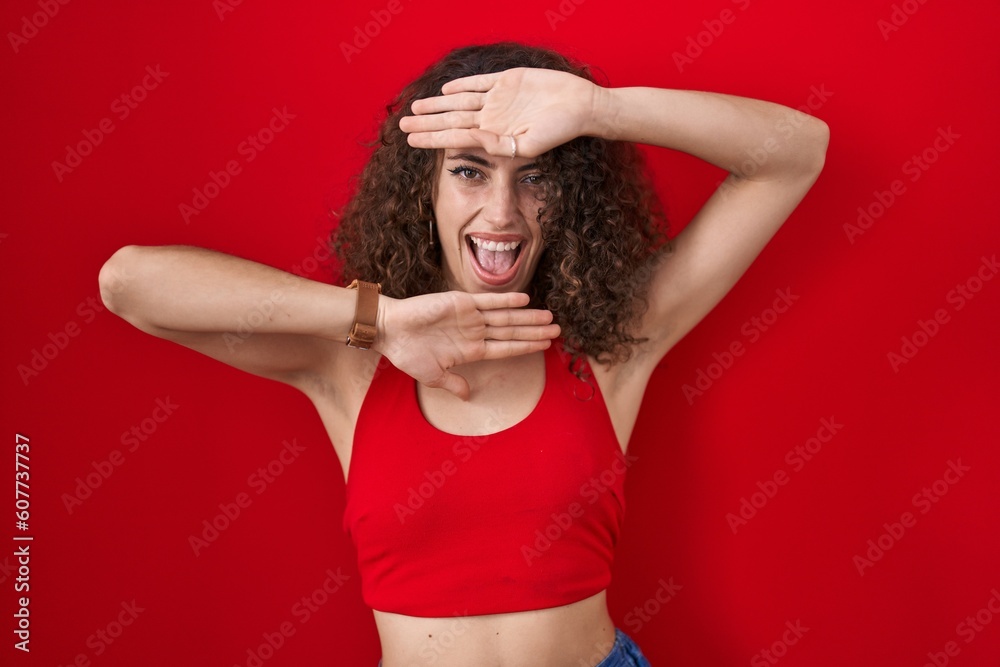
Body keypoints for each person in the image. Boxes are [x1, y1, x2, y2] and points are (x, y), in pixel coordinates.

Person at [99, 42, 828, 667]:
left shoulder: (606, 345)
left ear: (567, 197)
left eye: (535, 175)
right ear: (426, 192)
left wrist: (598, 111)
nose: (503, 212)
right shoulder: (351, 362)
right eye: (470, 171)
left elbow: (796, 153)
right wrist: (379, 321)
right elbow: (128, 282)